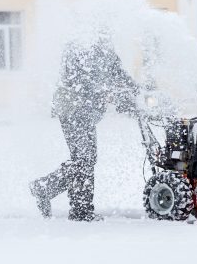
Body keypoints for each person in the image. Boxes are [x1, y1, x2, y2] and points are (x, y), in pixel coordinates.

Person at [29, 37, 139, 222]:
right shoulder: (77, 45)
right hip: (72, 110)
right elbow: (78, 79)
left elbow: (118, 74)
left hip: (87, 113)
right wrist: (104, 91)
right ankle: (46, 189)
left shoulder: (105, 48)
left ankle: (79, 208)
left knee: (85, 159)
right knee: (84, 159)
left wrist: (138, 91)